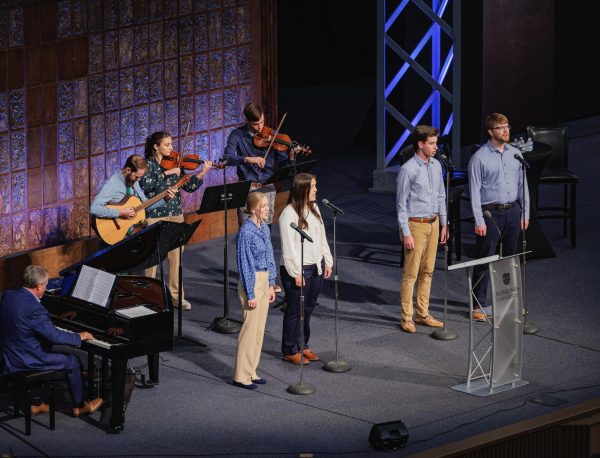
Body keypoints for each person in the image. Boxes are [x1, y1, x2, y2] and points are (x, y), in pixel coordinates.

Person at [0, 266, 103, 417]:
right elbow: (54, 336)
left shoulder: (8, 295)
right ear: (39, 286)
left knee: (51, 348)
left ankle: (37, 403)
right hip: (26, 359)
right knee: (72, 361)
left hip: (8, 354)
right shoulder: (36, 308)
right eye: (46, 284)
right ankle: (80, 406)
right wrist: (78, 336)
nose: (47, 287)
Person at [139, 131, 213, 310]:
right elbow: (146, 186)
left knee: (176, 259)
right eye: (167, 145)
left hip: (175, 214)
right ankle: (147, 298)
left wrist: (203, 172)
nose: (172, 148)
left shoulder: (176, 163)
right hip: (155, 216)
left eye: (171, 144)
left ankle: (176, 298)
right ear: (156, 147)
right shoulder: (147, 165)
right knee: (152, 261)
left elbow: (189, 186)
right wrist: (167, 174)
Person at [469, 113, 530, 320]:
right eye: (501, 127)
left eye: (507, 127)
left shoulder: (515, 154)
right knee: (485, 258)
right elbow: (474, 191)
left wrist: (525, 213)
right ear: (491, 131)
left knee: (510, 259)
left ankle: (509, 302)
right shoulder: (479, 158)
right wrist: (479, 220)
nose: (506, 131)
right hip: (490, 213)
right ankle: (477, 305)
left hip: (513, 211)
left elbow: (523, 187)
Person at [396, 125, 447, 333]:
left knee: (428, 271)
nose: (435, 148)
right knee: (411, 274)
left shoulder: (436, 166)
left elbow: (441, 196)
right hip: (415, 225)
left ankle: (423, 313)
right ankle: (406, 317)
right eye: (432, 144)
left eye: (436, 143)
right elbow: (400, 204)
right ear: (420, 144)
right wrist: (406, 232)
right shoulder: (408, 169)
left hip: (433, 224)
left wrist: (444, 223)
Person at [278, 173, 332, 364]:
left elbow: (321, 236)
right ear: (303, 189)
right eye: (313, 187)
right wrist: (296, 272)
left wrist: (327, 259)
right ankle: (289, 349)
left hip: (315, 266)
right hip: (298, 270)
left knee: (307, 308)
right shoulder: (288, 214)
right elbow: (288, 248)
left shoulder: (314, 208)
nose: (316, 190)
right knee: (295, 310)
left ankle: (303, 345)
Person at [233, 192, 277, 390]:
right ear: (253, 209)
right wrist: (251, 293)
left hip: (264, 279)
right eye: (264, 206)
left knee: (259, 331)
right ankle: (241, 375)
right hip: (251, 282)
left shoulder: (264, 229)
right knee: (249, 332)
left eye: (268, 205)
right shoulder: (246, 232)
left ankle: (252, 370)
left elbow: (270, 256)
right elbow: (245, 265)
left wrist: (271, 284)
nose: (268, 209)